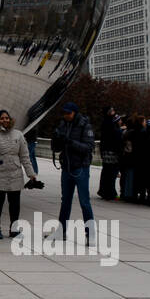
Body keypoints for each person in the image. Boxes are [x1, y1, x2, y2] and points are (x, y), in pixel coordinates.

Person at [0, 109, 37, 239]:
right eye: (2, 118)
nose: (5, 120)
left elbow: (25, 156)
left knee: (15, 204)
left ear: (10, 119)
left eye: (7, 118)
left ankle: (13, 229)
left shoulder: (18, 135)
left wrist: (31, 173)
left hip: (15, 173)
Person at [53, 102, 96, 238]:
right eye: (64, 113)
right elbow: (57, 147)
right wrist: (57, 140)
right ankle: (61, 231)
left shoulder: (85, 125)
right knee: (65, 200)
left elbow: (89, 147)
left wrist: (70, 142)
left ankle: (90, 233)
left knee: (84, 201)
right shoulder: (63, 124)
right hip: (67, 167)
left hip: (80, 167)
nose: (66, 116)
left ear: (75, 113)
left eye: (69, 113)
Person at [96, 106, 121, 200]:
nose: (114, 112)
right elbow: (114, 136)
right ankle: (110, 192)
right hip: (111, 151)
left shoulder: (106, 122)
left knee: (106, 171)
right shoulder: (110, 123)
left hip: (106, 149)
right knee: (111, 173)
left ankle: (104, 191)